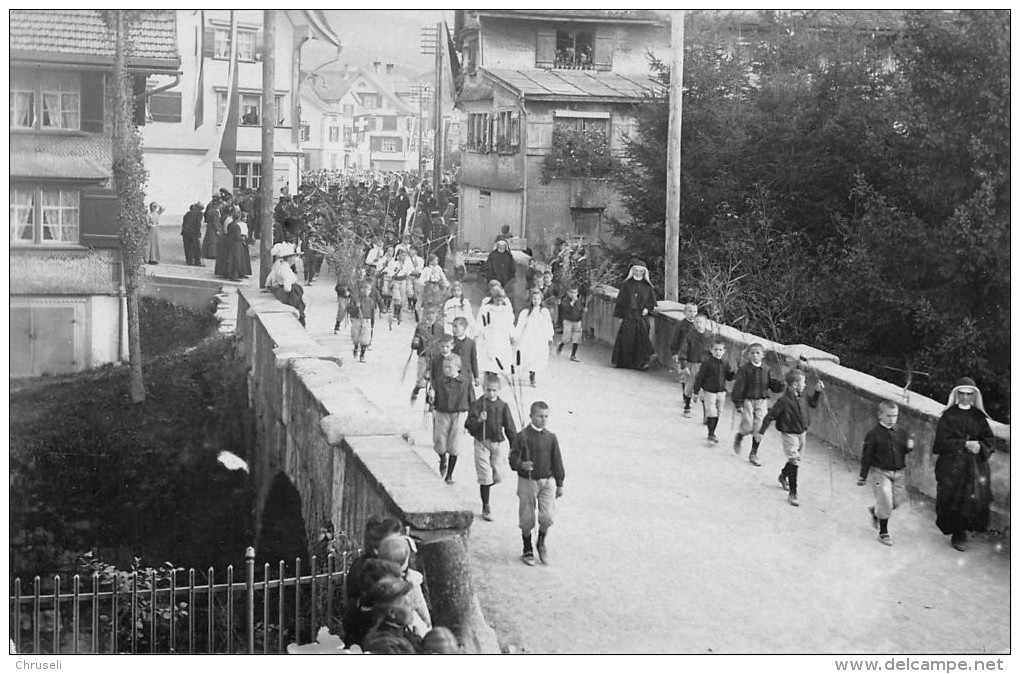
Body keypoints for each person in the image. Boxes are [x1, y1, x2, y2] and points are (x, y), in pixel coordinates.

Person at [932, 377, 995, 552]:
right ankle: (956, 534)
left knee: (972, 498)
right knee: (953, 498)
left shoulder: (979, 417)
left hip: (974, 467)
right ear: (956, 394)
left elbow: (989, 439)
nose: (965, 397)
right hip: (952, 466)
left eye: (969, 394)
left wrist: (980, 447)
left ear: (974, 396)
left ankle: (964, 531)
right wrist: (964, 444)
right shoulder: (948, 416)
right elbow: (940, 443)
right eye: (962, 393)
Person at [756, 369, 825, 507]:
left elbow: (812, 404)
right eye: (803, 383)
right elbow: (770, 416)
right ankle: (793, 492)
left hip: (802, 432)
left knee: (796, 460)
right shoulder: (783, 401)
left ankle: (783, 475)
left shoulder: (803, 394)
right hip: (789, 433)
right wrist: (761, 432)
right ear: (794, 384)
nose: (805, 385)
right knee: (794, 460)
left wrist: (817, 392)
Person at [509, 401, 565, 566]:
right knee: (527, 517)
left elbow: (557, 460)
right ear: (531, 416)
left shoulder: (551, 437)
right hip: (527, 481)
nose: (543, 419)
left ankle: (541, 541)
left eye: (546, 416)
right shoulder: (522, 436)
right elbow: (512, 459)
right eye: (540, 416)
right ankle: (527, 547)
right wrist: (521, 465)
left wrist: (560, 482)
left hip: (547, 481)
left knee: (547, 516)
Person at [857, 400, 915, 546]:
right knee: (885, 500)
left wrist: (909, 447)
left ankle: (875, 512)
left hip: (899, 473)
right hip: (881, 472)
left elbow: (904, 449)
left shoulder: (901, 432)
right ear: (880, 415)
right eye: (888, 416)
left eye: (895, 416)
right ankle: (883, 532)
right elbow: (867, 456)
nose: (892, 419)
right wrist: (863, 475)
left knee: (897, 501)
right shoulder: (873, 434)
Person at [464, 373, 518, 522]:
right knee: (485, 476)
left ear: (499, 389)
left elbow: (510, 428)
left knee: (499, 476)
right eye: (488, 390)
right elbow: (468, 424)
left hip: (497, 444)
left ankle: (486, 485)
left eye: (494, 390)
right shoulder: (477, 404)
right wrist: (479, 420)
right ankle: (486, 505)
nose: (491, 393)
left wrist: (515, 446)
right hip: (481, 443)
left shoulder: (503, 406)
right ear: (483, 388)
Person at [731, 343, 785, 467]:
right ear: (748, 355)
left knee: (759, 427)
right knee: (748, 425)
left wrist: (781, 383)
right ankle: (740, 435)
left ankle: (753, 453)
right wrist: (738, 403)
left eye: (758, 353)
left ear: (763, 355)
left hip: (762, 401)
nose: (755, 355)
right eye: (752, 353)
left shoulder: (766, 369)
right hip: (748, 400)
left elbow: (773, 385)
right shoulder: (744, 369)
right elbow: (738, 387)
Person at [427, 353, 476, 484]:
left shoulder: (465, 382)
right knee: (439, 441)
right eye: (444, 367)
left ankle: (449, 475)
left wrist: (472, 421)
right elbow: (431, 400)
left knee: (455, 444)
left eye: (449, 367)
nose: (446, 369)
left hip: (459, 414)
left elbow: (472, 401)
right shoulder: (438, 381)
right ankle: (442, 458)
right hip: (442, 412)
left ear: (458, 368)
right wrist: (431, 395)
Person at [376, 536, 431, 637]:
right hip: (407, 628)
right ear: (403, 564)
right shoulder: (410, 582)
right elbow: (422, 610)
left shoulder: (374, 580)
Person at [611, 261, 657, 370]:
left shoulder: (647, 286)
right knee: (626, 339)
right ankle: (624, 362)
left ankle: (641, 363)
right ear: (632, 271)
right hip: (628, 315)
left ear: (644, 272)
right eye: (636, 270)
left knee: (642, 338)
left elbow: (651, 302)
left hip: (641, 316)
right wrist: (620, 317)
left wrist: (646, 308)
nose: (638, 273)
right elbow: (621, 302)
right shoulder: (626, 284)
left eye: (640, 271)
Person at [692, 340, 736, 444]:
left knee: (719, 412)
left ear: (724, 351)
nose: (718, 352)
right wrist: (696, 391)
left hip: (721, 392)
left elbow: (729, 377)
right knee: (712, 412)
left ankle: (712, 429)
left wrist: (734, 373)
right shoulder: (707, 363)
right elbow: (700, 377)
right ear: (711, 350)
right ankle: (711, 434)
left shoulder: (725, 363)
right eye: (715, 349)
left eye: (720, 350)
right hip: (709, 391)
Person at [513, 287, 555, 387]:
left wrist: (550, 336)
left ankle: (533, 377)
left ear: (541, 300)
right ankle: (530, 375)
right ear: (531, 300)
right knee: (529, 357)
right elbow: (520, 326)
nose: (536, 301)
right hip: (528, 338)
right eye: (534, 299)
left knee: (537, 358)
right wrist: (515, 336)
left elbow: (548, 325)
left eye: (538, 299)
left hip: (539, 338)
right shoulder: (526, 312)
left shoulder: (544, 312)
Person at [675, 314, 713, 419]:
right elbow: (684, 350)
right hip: (693, 363)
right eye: (696, 322)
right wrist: (684, 364)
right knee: (690, 385)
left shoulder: (710, 336)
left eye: (701, 322)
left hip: (705, 365)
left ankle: (707, 413)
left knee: (706, 388)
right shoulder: (690, 335)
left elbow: (713, 350)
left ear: (706, 323)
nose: (699, 325)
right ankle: (687, 406)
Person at [476, 283, 515, 376]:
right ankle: (488, 371)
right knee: (489, 353)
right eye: (498, 300)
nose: (500, 302)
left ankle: (495, 372)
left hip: (501, 334)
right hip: (490, 333)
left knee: (499, 354)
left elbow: (509, 322)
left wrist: (512, 334)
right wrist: (478, 332)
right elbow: (480, 320)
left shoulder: (505, 309)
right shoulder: (487, 308)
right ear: (493, 298)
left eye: (502, 300)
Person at [265, 244, 306, 327]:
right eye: (293, 257)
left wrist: (270, 286)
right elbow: (287, 288)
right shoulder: (285, 270)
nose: (294, 259)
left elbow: (269, 279)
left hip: (281, 291)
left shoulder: (278, 266)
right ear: (289, 258)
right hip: (289, 295)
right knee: (297, 311)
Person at [410, 308, 443, 403]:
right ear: (426, 315)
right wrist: (415, 344)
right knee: (422, 381)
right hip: (423, 356)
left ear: (436, 315)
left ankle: (430, 401)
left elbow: (442, 341)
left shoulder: (440, 328)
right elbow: (415, 340)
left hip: (435, 357)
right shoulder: (421, 327)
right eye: (429, 313)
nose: (431, 315)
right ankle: (416, 389)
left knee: (435, 380)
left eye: (433, 313)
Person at [348, 279, 385, 362]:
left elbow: (372, 313)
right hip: (357, 319)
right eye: (364, 289)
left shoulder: (371, 301)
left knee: (365, 338)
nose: (366, 291)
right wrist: (355, 308)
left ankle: (362, 355)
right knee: (355, 336)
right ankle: (356, 346)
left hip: (366, 320)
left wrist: (372, 324)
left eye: (368, 289)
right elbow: (349, 309)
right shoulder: (355, 299)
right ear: (361, 289)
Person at [556, 285, 585, 362]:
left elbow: (580, 310)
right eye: (571, 292)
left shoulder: (579, 301)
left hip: (577, 321)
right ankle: (561, 344)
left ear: (577, 293)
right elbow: (564, 310)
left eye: (575, 293)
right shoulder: (565, 300)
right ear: (568, 293)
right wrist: (571, 303)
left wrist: (581, 314)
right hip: (568, 320)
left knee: (577, 338)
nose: (573, 294)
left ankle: (573, 355)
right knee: (567, 337)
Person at [451, 317, 480, 387]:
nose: (453, 329)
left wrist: (476, 377)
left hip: (467, 375)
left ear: (464, 327)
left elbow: (474, 360)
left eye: (455, 326)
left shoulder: (471, 342)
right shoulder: (451, 341)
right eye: (452, 326)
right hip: (453, 375)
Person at [202, 194, 221, 259]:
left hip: (209, 226)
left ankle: (207, 253)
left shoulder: (210, 208)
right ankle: (211, 254)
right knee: (213, 241)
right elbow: (215, 221)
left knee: (208, 240)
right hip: (213, 228)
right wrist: (217, 229)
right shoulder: (215, 211)